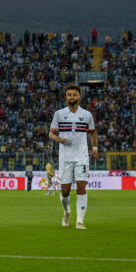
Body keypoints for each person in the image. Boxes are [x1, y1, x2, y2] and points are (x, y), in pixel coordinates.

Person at [49, 85, 97, 229]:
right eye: (69, 95)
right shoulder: (59, 114)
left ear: (79, 97)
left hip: (81, 156)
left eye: (74, 95)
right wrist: (60, 139)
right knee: (65, 191)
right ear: (66, 97)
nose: (72, 97)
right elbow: (51, 133)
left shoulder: (87, 115)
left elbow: (93, 132)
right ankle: (67, 211)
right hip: (65, 157)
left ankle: (80, 221)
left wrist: (94, 148)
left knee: (81, 186)